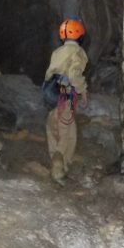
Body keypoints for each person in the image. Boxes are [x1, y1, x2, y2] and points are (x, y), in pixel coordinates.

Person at [44, 17, 89, 185]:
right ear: (80, 37)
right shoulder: (77, 53)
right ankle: (60, 164)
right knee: (68, 132)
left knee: (52, 127)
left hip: (50, 92)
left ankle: (57, 159)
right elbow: (74, 75)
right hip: (65, 92)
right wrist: (82, 90)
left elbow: (50, 74)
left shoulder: (57, 52)